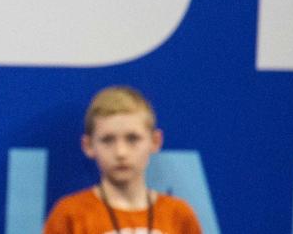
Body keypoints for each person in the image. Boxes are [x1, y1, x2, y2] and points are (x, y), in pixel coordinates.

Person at [43, 86, 202, 234]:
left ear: (155, 141)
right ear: (88, 145)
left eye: (132, 139)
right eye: (107, 140)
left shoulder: (179, 215)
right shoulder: (69, 215)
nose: (121, 152)